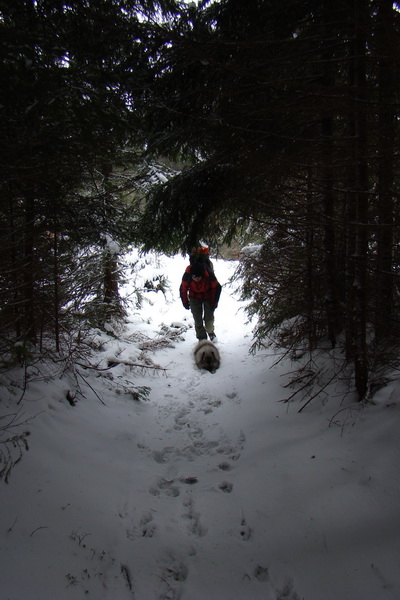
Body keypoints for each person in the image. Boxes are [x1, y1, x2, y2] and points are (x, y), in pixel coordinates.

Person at [180, 261, 222, 341]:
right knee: (197, 319)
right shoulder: (187, 276)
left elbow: (217, 288)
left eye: (198, 277)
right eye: (194, 277)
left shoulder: (209, 275)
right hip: (194, 296)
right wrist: (185, 302)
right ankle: (202, 338)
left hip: (208, 295)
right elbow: (183, 289)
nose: (196, 279)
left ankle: (210, 332)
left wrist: (214, 303)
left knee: (209, 320)